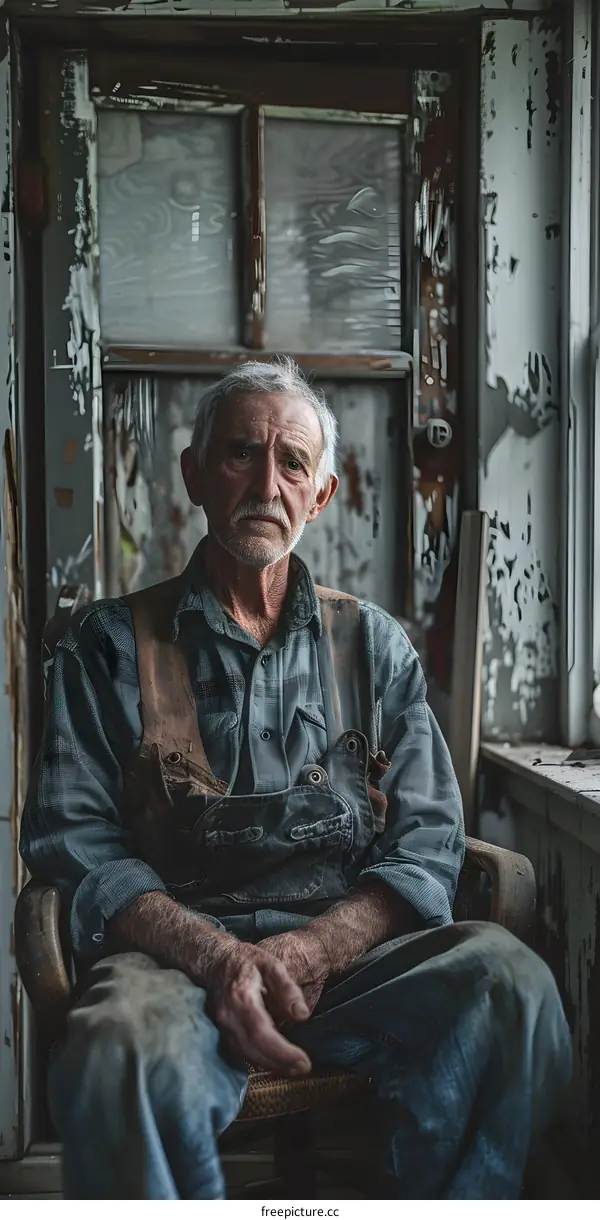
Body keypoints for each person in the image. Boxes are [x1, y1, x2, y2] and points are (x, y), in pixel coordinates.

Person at [20, 358, 571, 1200]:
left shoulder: (375, 646)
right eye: (242, 453)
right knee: (119, 1050)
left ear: (320, 495)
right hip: (175, 966)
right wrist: (220, 957)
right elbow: (77, 848)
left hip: (351, 960)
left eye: (292, 464)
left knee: (511, 987)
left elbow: (425, 843)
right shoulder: (106, 646)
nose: (266, 484)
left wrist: (312, 948)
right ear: (196, 474)